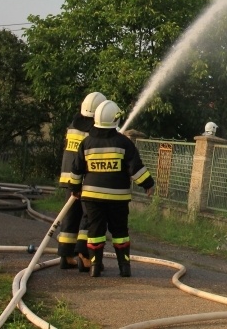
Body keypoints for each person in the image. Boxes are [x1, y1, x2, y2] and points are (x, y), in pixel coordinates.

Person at [69, 100, 155, 277]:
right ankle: (124, 268)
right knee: (120, 232)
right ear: (115, 119)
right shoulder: (124, 142)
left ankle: (95, 267)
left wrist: (75, 188)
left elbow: (76, 169)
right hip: (118, 198)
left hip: (92, 198)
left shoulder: (86, 143)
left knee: (95, 232)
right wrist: (148, 184)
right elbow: (135, 167)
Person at [57, 91, 106, 270]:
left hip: (68, 179)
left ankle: (66, 255)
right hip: (85, 181)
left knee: (70, 217)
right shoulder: (92, 131)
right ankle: (84, 256)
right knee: (89, 217)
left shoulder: (73, 125)